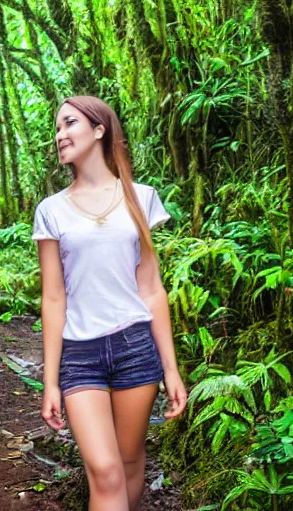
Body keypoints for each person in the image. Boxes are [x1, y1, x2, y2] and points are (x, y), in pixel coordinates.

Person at [31, 95, 187, 511]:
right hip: (80, 355)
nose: (60, 135)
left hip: (136, 348)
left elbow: (152, 288)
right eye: (57, 129)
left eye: (68, 124)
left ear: (100, 129)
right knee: (104, 469)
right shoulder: (51, 210)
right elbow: (53, 297)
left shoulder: (141, 197)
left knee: (131, 461)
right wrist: (50, 381)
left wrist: (171, 370)